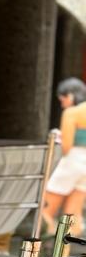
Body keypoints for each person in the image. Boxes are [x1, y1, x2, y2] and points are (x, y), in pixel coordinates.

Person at [43, 77, 86, 235]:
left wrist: (58, 137)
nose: (62, 104)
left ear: (70, 95)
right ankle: (66, 248)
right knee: (72, 215)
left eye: (63, 100)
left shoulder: (71, 113)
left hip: (72, 161)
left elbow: (66, 147)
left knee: (45, 211)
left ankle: (42, 244)